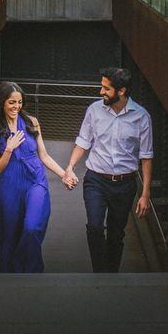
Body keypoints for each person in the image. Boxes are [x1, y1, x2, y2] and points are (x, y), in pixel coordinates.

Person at [62, 67, 153, 273]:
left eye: (106, 88)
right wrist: (70, 167)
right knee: (94, 227)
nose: (101, 92)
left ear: (121, 91)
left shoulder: (141, 117)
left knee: (116, 234)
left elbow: (146, 156)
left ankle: (111, 274)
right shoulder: (94, 110)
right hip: (96, 179)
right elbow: (83, 141)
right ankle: (99, 273)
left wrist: (145, 193)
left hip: (125, 184)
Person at [0, 81, 71, 273]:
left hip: (35, 179)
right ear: (2, 103)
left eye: (19, 102)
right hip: (10, 182)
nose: (16, 107)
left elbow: (44, 155)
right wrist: (8, 148)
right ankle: (12, 274)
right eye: (11, 103)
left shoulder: (32, 122)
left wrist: (64, 174)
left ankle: (31, 270)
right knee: (9, 233)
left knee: (32, 227)